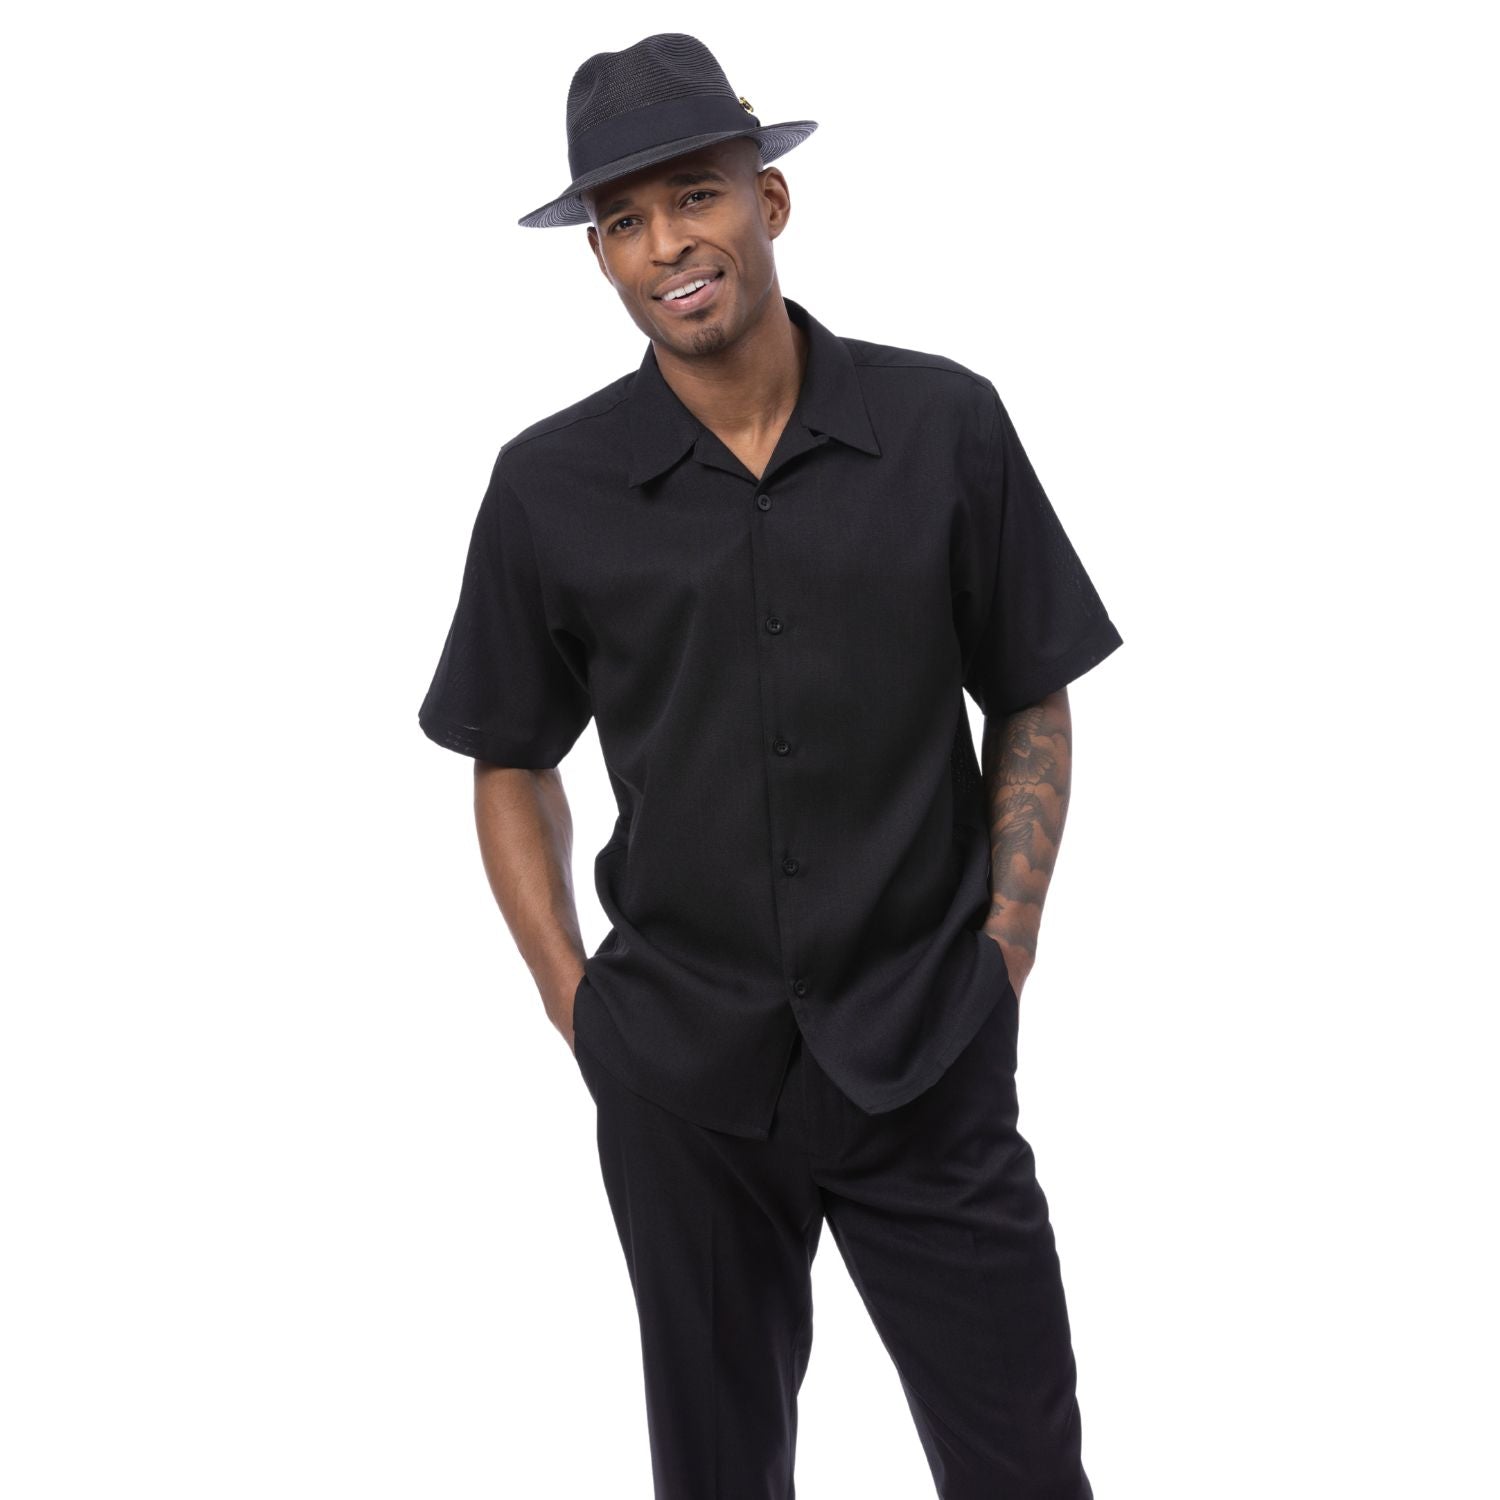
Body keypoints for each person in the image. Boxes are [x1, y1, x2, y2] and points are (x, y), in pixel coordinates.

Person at [418, 32, 1123, 1500]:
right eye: (623, 220)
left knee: (1024, 1466)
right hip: (680, 1078)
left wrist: (1005, 944)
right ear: (601, 256)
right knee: (718, 1476)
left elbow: (1031, 692)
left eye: (695, 195)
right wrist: (574, 1003)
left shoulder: (944, 425)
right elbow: (506, 756)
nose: (666, 245)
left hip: (926, 1049)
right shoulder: (547, 487)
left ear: (770, 200)